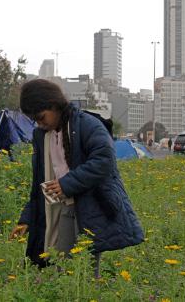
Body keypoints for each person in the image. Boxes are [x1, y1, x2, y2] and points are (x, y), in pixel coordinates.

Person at [10, 79, 143, 276]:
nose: (40, 123)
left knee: (86, 269)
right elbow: (40, 183)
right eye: (35, 120)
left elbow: (104, 160)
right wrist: (27, 219)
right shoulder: (42, 135)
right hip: (61, 207)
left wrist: (67, 184)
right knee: (61, 265)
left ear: (53, 104)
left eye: (41, 117)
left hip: (89, 206)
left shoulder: (88, 124)